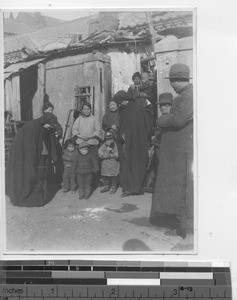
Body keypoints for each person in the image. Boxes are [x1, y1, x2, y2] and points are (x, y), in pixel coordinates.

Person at [150, 63, 193, 239]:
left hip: (181, 152)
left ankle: (187, 229)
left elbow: (177, 121)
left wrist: (161, 120)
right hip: (178, 151)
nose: (171, 86)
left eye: (172, 82)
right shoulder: (184, 95)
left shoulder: (187, 96)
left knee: (182, 188)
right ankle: (181, 223)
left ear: (176, 81)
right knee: (179, 187)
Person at [6, 113, 59, 207]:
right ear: (45, 122)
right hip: (30, 157)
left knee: (42, 175)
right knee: (32, 175)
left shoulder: (46, 129)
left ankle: (40, 197)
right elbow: (26, 143)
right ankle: (31, 196)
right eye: (50, 125)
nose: (51, 127)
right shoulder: (32, 127)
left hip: (43, 156)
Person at [114, 90, 150, 197]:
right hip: (127, 141)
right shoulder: (125, 108)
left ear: (125, 100)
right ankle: (128, 187)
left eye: (120, 102)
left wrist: (125, 136)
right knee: (126, 163)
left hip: (134, 142)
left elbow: (135, 127)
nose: (119, 105)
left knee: (133, 163)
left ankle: (133, 188)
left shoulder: (134, 109)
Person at [71, 102, 101, 187]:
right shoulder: (79, 119)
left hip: (92, 142)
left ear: (90, 109)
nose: (86, 111)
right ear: (82, 110)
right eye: (84, 109)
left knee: (93, 161)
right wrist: (81, 136)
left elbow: (98, 130)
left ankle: (94, 181)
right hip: (81, 143)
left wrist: (91, 136)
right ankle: (81, 181)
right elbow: (74, 130)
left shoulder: (94, 119)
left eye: (88, 109)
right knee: (82, 162)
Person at [42, 100, 63, 185]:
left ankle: (58, 179)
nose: (50, 112)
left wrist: (58, 133)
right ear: (44, 111)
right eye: (48, 110)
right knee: (47, 162)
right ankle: (48, 181)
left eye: (51, 110)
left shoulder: (54, 119)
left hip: (55, 143)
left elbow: (59, 128)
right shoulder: (42, 120)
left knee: (58, 161)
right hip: (46, 144)